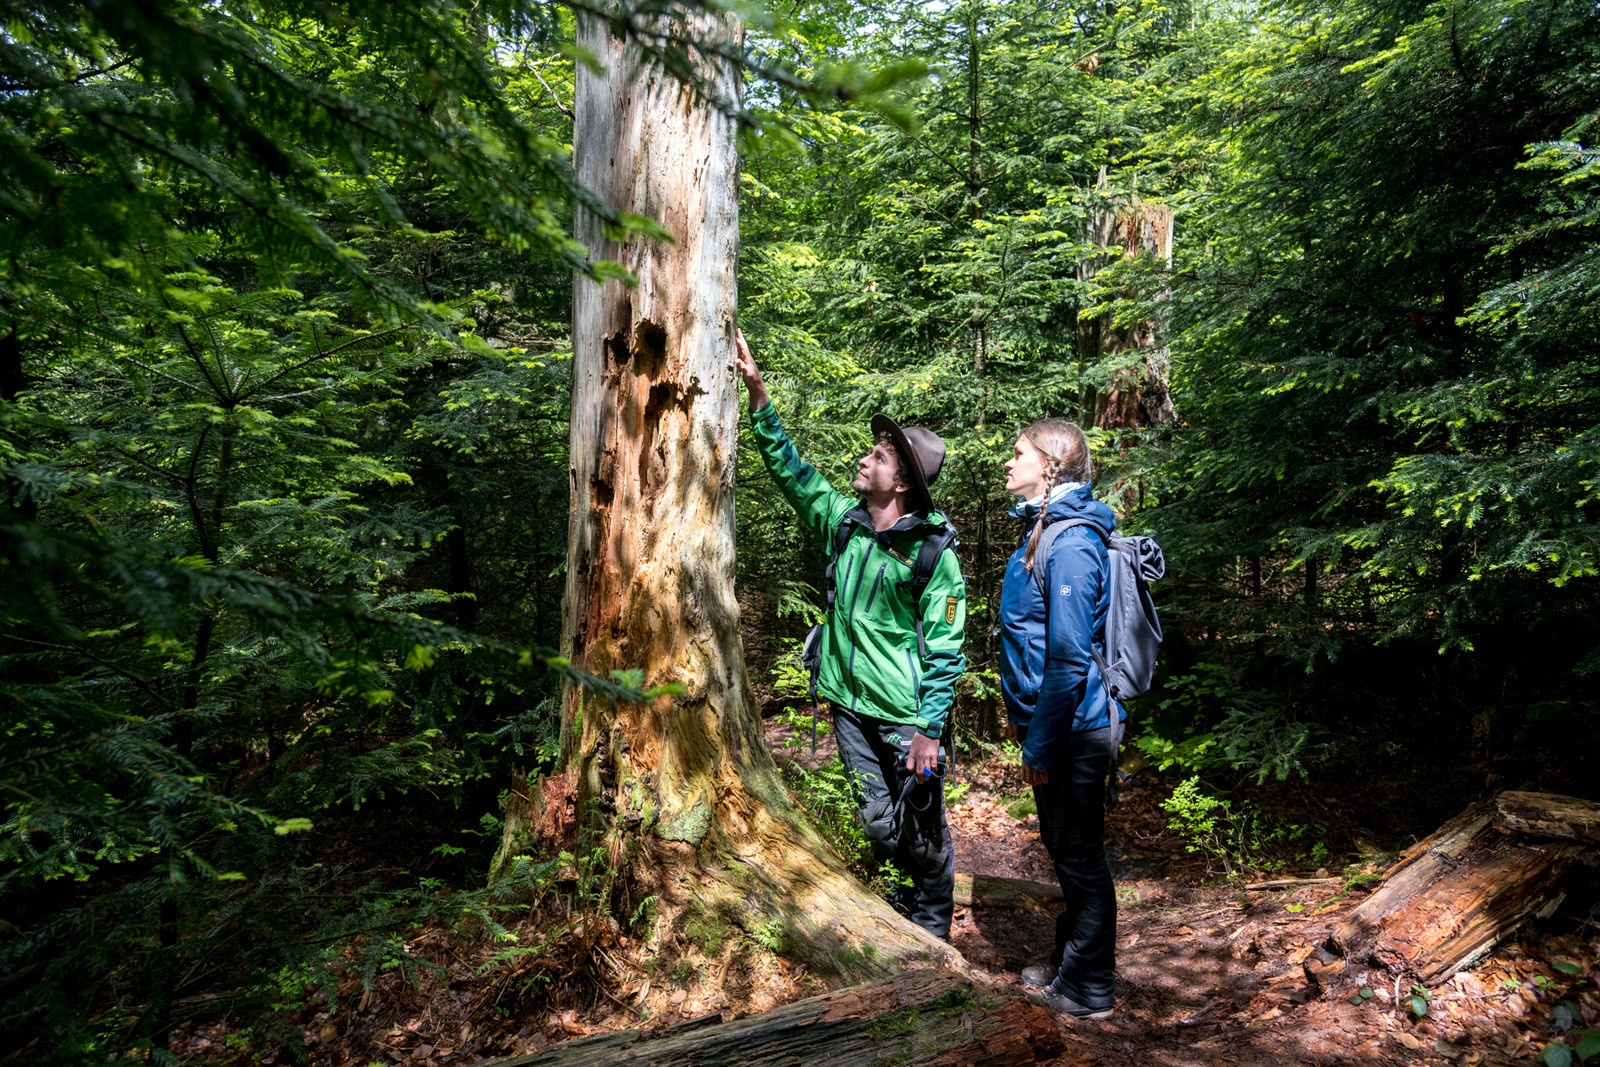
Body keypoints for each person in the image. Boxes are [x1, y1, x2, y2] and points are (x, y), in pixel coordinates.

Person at [735, 329, 965, 939]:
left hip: (905, 715)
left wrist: (928, 729)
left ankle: (934, 928)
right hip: (849, 706)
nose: (866, 460)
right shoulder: (845, 525)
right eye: (871, 452)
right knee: (877, 821)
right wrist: (759, 394)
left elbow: (945, 647)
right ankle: (899, 904)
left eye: (880, 457)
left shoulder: (933, 554)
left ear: (904, 484)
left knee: (922, 824)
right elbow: (793, 473)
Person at [998, 418, 1121, 1018]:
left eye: (1017, 453)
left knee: (1079, 852)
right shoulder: (1044, 530)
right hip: (1060, 726)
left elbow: (1070, 657)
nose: (1007, 461)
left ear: (1049, 465)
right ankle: (1072, 957)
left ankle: (1090, 985)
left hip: (1077, 728)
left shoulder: (1070, 542)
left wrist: (1039, 746)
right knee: (1065, 846)